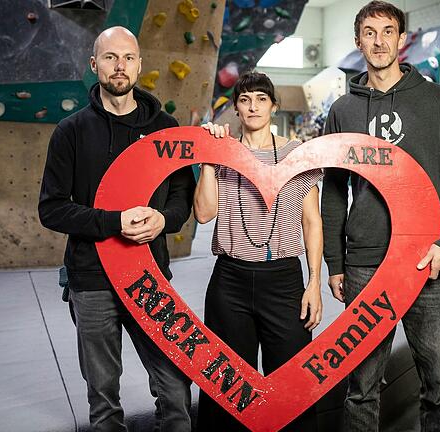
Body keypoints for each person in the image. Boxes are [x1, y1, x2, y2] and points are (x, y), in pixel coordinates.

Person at [321, 2, 440, 431]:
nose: (379, 40)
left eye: (388, 31)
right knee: (361, 387)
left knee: (438, 385)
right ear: (358, 41)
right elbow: (332, 192)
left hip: (428, 262)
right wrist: (336, 263)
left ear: (401, 39)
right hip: (366, 264)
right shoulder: (343, 111)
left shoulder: (435, 100)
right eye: (369, 32)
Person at [38, 26, 195, 432]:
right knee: (104, 398)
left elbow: (182, 197)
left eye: (128, 57)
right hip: (91, 281)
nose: (119, 66)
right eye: (110, 58)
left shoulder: (166, 127)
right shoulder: (71, 131)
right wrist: (112, 222)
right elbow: (51, 209)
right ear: (94, 65)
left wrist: (164, 220)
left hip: (150, 277)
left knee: (176, 389)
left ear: (140, 65)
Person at [193, 71, 323, 431]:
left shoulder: (297, 154)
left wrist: (314, 283)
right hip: (230, 280)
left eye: (261, 99)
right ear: (236, 108)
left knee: (294, 385)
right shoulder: (222, 153)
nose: (253, 106)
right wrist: (208, 161)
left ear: (273, 106)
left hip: (283, 280)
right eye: (245, 99)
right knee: (225, 385)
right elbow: (204, 214)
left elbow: (312, 221)